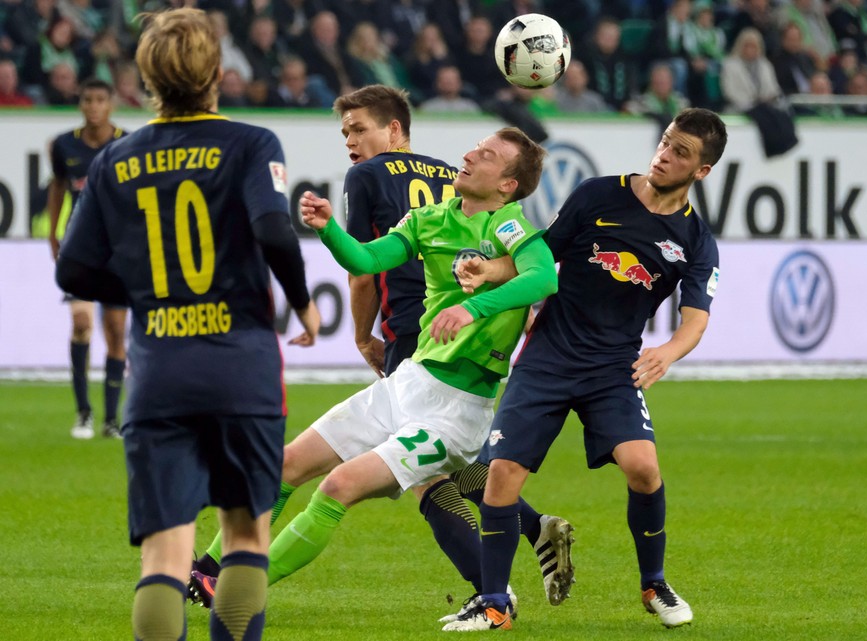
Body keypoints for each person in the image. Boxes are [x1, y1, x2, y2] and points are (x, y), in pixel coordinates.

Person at [189, 88, 575, 619]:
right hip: (406, 383)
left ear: (507, 185)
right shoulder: (431, 219)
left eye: (486, 155)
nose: (469, 155)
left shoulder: (506, 226)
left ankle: (240, 592)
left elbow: (544, 277)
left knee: (340, 485)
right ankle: (213, 570)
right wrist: (327, 230)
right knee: (283, 466)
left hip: (454, 409)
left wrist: (474, 307)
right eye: (475, 146)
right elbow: (368, 257)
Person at [54, 8, 320, 641]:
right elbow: (272, 229)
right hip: (241, 369)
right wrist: (302, 300)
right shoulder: (253, 143)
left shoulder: (114, 159)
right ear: (216, 72)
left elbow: (73, 269)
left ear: (147, 77)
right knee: (245, 537)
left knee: (164, 559)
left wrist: (149, 294)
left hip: (160, 374)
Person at [444, 107, 727, 631]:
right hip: (549, 356)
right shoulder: (599, 193)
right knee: (499, 475)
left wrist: (667, 352)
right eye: (666, 142)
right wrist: (489, 270)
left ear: (702, 171)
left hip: (613, 367)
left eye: (681, 152)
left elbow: (696, 318)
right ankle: (494, 604)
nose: (665, 154)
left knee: (644, 468)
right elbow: (541, 255)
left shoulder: (695, 240)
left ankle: (654, 584)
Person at [48, 77, 127, 439]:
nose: (93, 106)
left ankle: (111, 420)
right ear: (80, 104)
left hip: (116, 252)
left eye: (100, 99)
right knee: (81, 323)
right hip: (80, 250)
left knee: (115, 332)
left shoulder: (128, 143)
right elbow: (58, 186)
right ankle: (83, 413)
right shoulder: (64, 145)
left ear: (110, 104)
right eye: (87, 100)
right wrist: (52, 231)